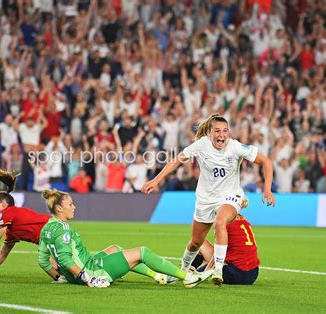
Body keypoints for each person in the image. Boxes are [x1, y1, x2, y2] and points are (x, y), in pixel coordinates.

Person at [141, 114, 275, 285]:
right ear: (210, 133)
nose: (221, 135)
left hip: (230, 196)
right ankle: (182, 271)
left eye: (225, 131)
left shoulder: (235, 147)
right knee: (196, 242)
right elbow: (177, 161)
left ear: (229, 133)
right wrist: (156, 180)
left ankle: (217, 270)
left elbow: (266, 161)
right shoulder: (201, 145)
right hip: (205, 199)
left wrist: (267, 189)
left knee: (220, 222)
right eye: (217, 131)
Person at [37, 189, 204, 288]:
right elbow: (65, 259)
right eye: (70, 205)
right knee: (143, 252)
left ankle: (159, 276)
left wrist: (61, 277)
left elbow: (43, 261)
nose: (74, 207)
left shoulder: (47, 228)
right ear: (59, 209)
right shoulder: (63, 229)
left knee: (115, 248)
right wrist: (88, 278)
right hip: (93, 271)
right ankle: (186, 277)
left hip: (82, 269)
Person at [0, 163, 51, 277]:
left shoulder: (7, 213)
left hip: (54, 231)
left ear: (4, 204)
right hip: (52, 233)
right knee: (53, 266)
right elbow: (2, 255)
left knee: (56, 266)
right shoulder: (11, 230)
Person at [191, 214, 259, 285]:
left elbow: (218, 252)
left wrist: (205, 271)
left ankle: (189, 269)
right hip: (252, 275)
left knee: (200, 242)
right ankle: (194, 269)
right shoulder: (245, 222)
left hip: (234, 275)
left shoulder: (222, 224)